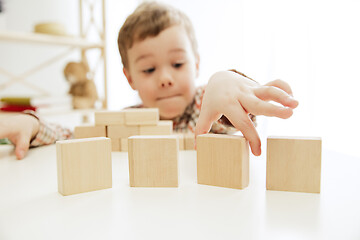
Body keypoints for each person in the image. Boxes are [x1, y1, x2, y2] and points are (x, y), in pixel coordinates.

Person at [0, 1, 298, 160]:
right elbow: (75, 137)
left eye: (178, 64)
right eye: (149, 70)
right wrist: (35, 124)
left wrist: (227, 81)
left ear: (196, 64)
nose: (166, 78)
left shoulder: (206, 105)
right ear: (129, 78)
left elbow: (238, 114)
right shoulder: (126, 121)